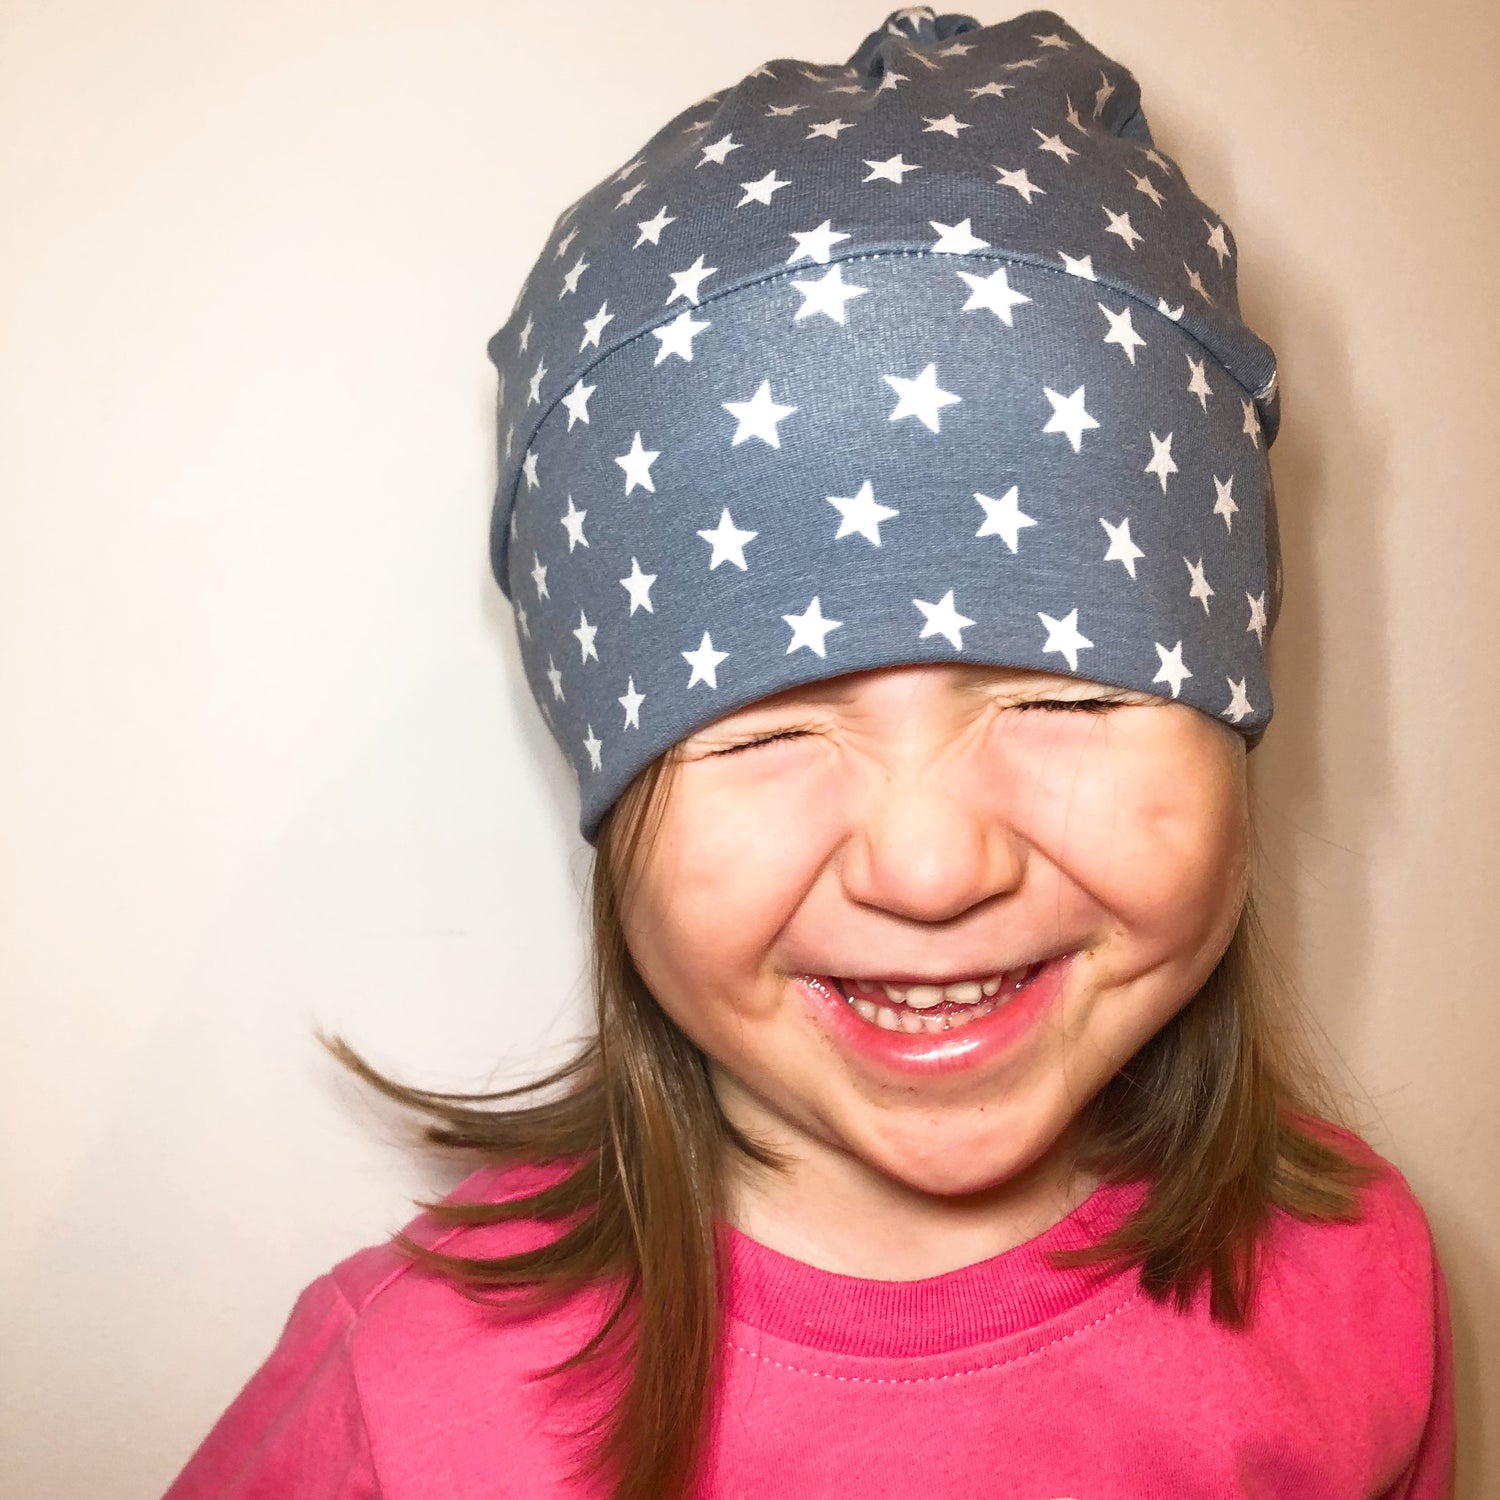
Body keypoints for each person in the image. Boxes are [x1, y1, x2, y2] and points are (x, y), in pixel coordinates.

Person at [161, 7, 1455, 1497]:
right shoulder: (400, 1405)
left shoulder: (1358, 1282)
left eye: (1066, 697)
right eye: (767, 725)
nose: (931, 864)